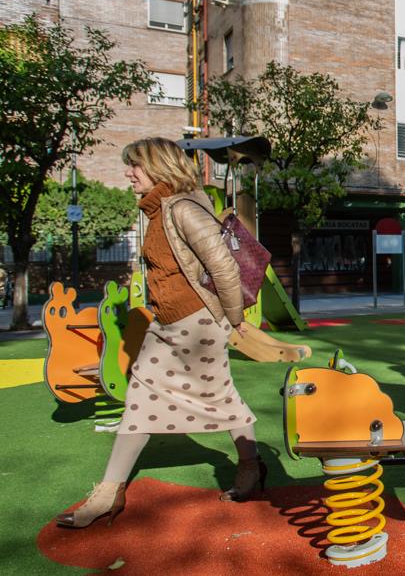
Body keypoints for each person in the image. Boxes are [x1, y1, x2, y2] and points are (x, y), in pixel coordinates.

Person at [56, 137, 261, 528]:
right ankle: (249, 466)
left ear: (160, 167)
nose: (128, 173)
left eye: (136, 165)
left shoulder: (182, 209)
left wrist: (232, 320)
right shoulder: (158, 210)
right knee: (157, 398)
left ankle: (109, 492)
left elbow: (224, 267)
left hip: (196, 324)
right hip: (170, 323)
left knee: (182, 397)